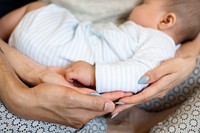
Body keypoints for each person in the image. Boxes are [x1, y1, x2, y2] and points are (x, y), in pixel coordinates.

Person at [0, 0, 200, 132]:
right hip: (47, 51)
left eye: (145, 3)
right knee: (37, 9)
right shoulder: (157, 41)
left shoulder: (158, 41)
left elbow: (141, 74)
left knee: (35, 7)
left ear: (166, 20)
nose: (136, 6)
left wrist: (95, 73)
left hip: (51, 42)